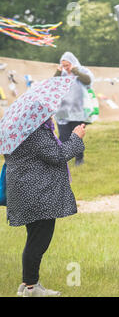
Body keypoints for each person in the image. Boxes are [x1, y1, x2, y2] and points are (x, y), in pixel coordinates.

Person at [4, 118, 86, 297]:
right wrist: (76, 137)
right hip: (38, 195)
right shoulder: (36, 131)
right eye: (48, 112)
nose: (51, 115)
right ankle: (32, 288)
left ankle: (27, 284)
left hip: (25, 192)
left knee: (34, 238)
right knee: (38, 241)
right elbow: (58, 156)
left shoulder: (20, 128)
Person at [54, 51, 94, 166]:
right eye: (64, 65)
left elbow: (88, 81)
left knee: (76, 135)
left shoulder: (81, 71)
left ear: (73, 63)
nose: (66, 68)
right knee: (63, 137)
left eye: (68, 65)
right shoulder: (61, 74)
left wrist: (75, 71)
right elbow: (53, 84)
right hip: (63, 110)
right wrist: (58, 71)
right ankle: (62, 161)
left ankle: (79, 159)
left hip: (77, 110)